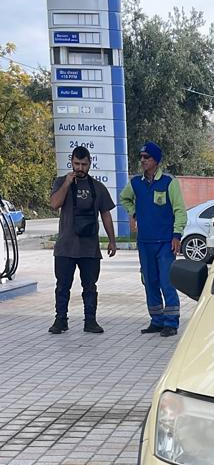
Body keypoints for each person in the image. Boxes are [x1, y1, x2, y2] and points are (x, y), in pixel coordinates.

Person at [119, 142, 187, 337]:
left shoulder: (168, 182)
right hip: (145, 242)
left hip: (165, 243)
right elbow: (124, 199)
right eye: (141, 157)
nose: (142, 160)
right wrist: (134, 213)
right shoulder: (136, 183)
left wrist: (176, 235)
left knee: (167, 282)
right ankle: (156, 320)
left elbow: (179, 210)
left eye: (146, 157)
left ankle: (171, 322)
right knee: (149, 281)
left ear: (156, 160)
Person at [48, 146, 116, 335]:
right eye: (76, 164)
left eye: (83, 164)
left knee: (90, 286)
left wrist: (112, 240)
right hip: (65, 247)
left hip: (89, 248)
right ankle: (60, 320)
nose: (80, 168)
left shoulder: (97, 187)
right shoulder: (61, 182)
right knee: (62, 286)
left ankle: (91, 321)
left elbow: (106, 214)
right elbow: (54, 204)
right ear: (71, 162)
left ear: (89, 164)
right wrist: (67, 184)